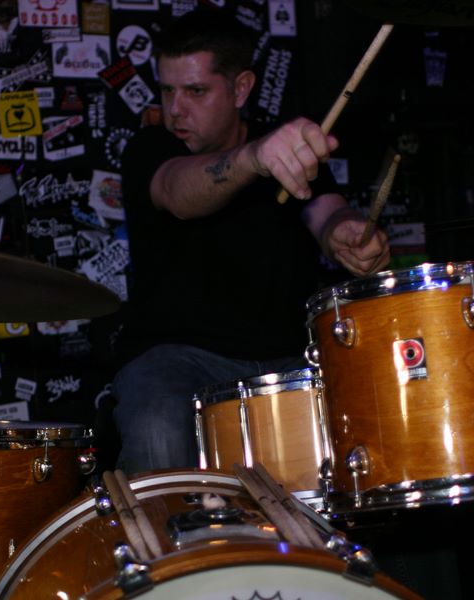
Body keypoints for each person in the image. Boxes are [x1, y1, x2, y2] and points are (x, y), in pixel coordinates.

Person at [112, 9, 390, 476]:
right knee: (157, 422)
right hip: (177, 359)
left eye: (195, 91)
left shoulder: (280, 147)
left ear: (241, 88)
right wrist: (254, 159)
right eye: (167, 90)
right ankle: (168, 526)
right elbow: (178, 193)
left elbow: (326, 213)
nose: (176, 109)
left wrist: (346, 234)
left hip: (286, 360)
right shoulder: (151, 148)